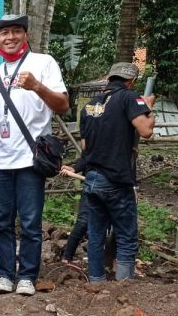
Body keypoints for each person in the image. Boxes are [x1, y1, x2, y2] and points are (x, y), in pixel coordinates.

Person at [0, 14, 69, 296]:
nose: (11, 37)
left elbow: (63, 105)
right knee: (1, 221)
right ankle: (5, 274)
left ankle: (27, 275)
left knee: (30, 222)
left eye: (17, 31)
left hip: (31, 160)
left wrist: (37, 86)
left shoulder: (43, 63)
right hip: (0, 160)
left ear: (25, 36)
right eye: (4, 33)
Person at [65, 62, 155, 282]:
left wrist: (75, 167)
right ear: (131, 81)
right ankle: (123, 285)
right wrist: (148, 107)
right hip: (116, 180)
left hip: (92, 180)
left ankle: (96, 282)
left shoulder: (89, 106)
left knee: (96, 235)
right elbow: (146, 131)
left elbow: (86, 149)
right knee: (126, 237)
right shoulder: (130, 97)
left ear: (108, 78)